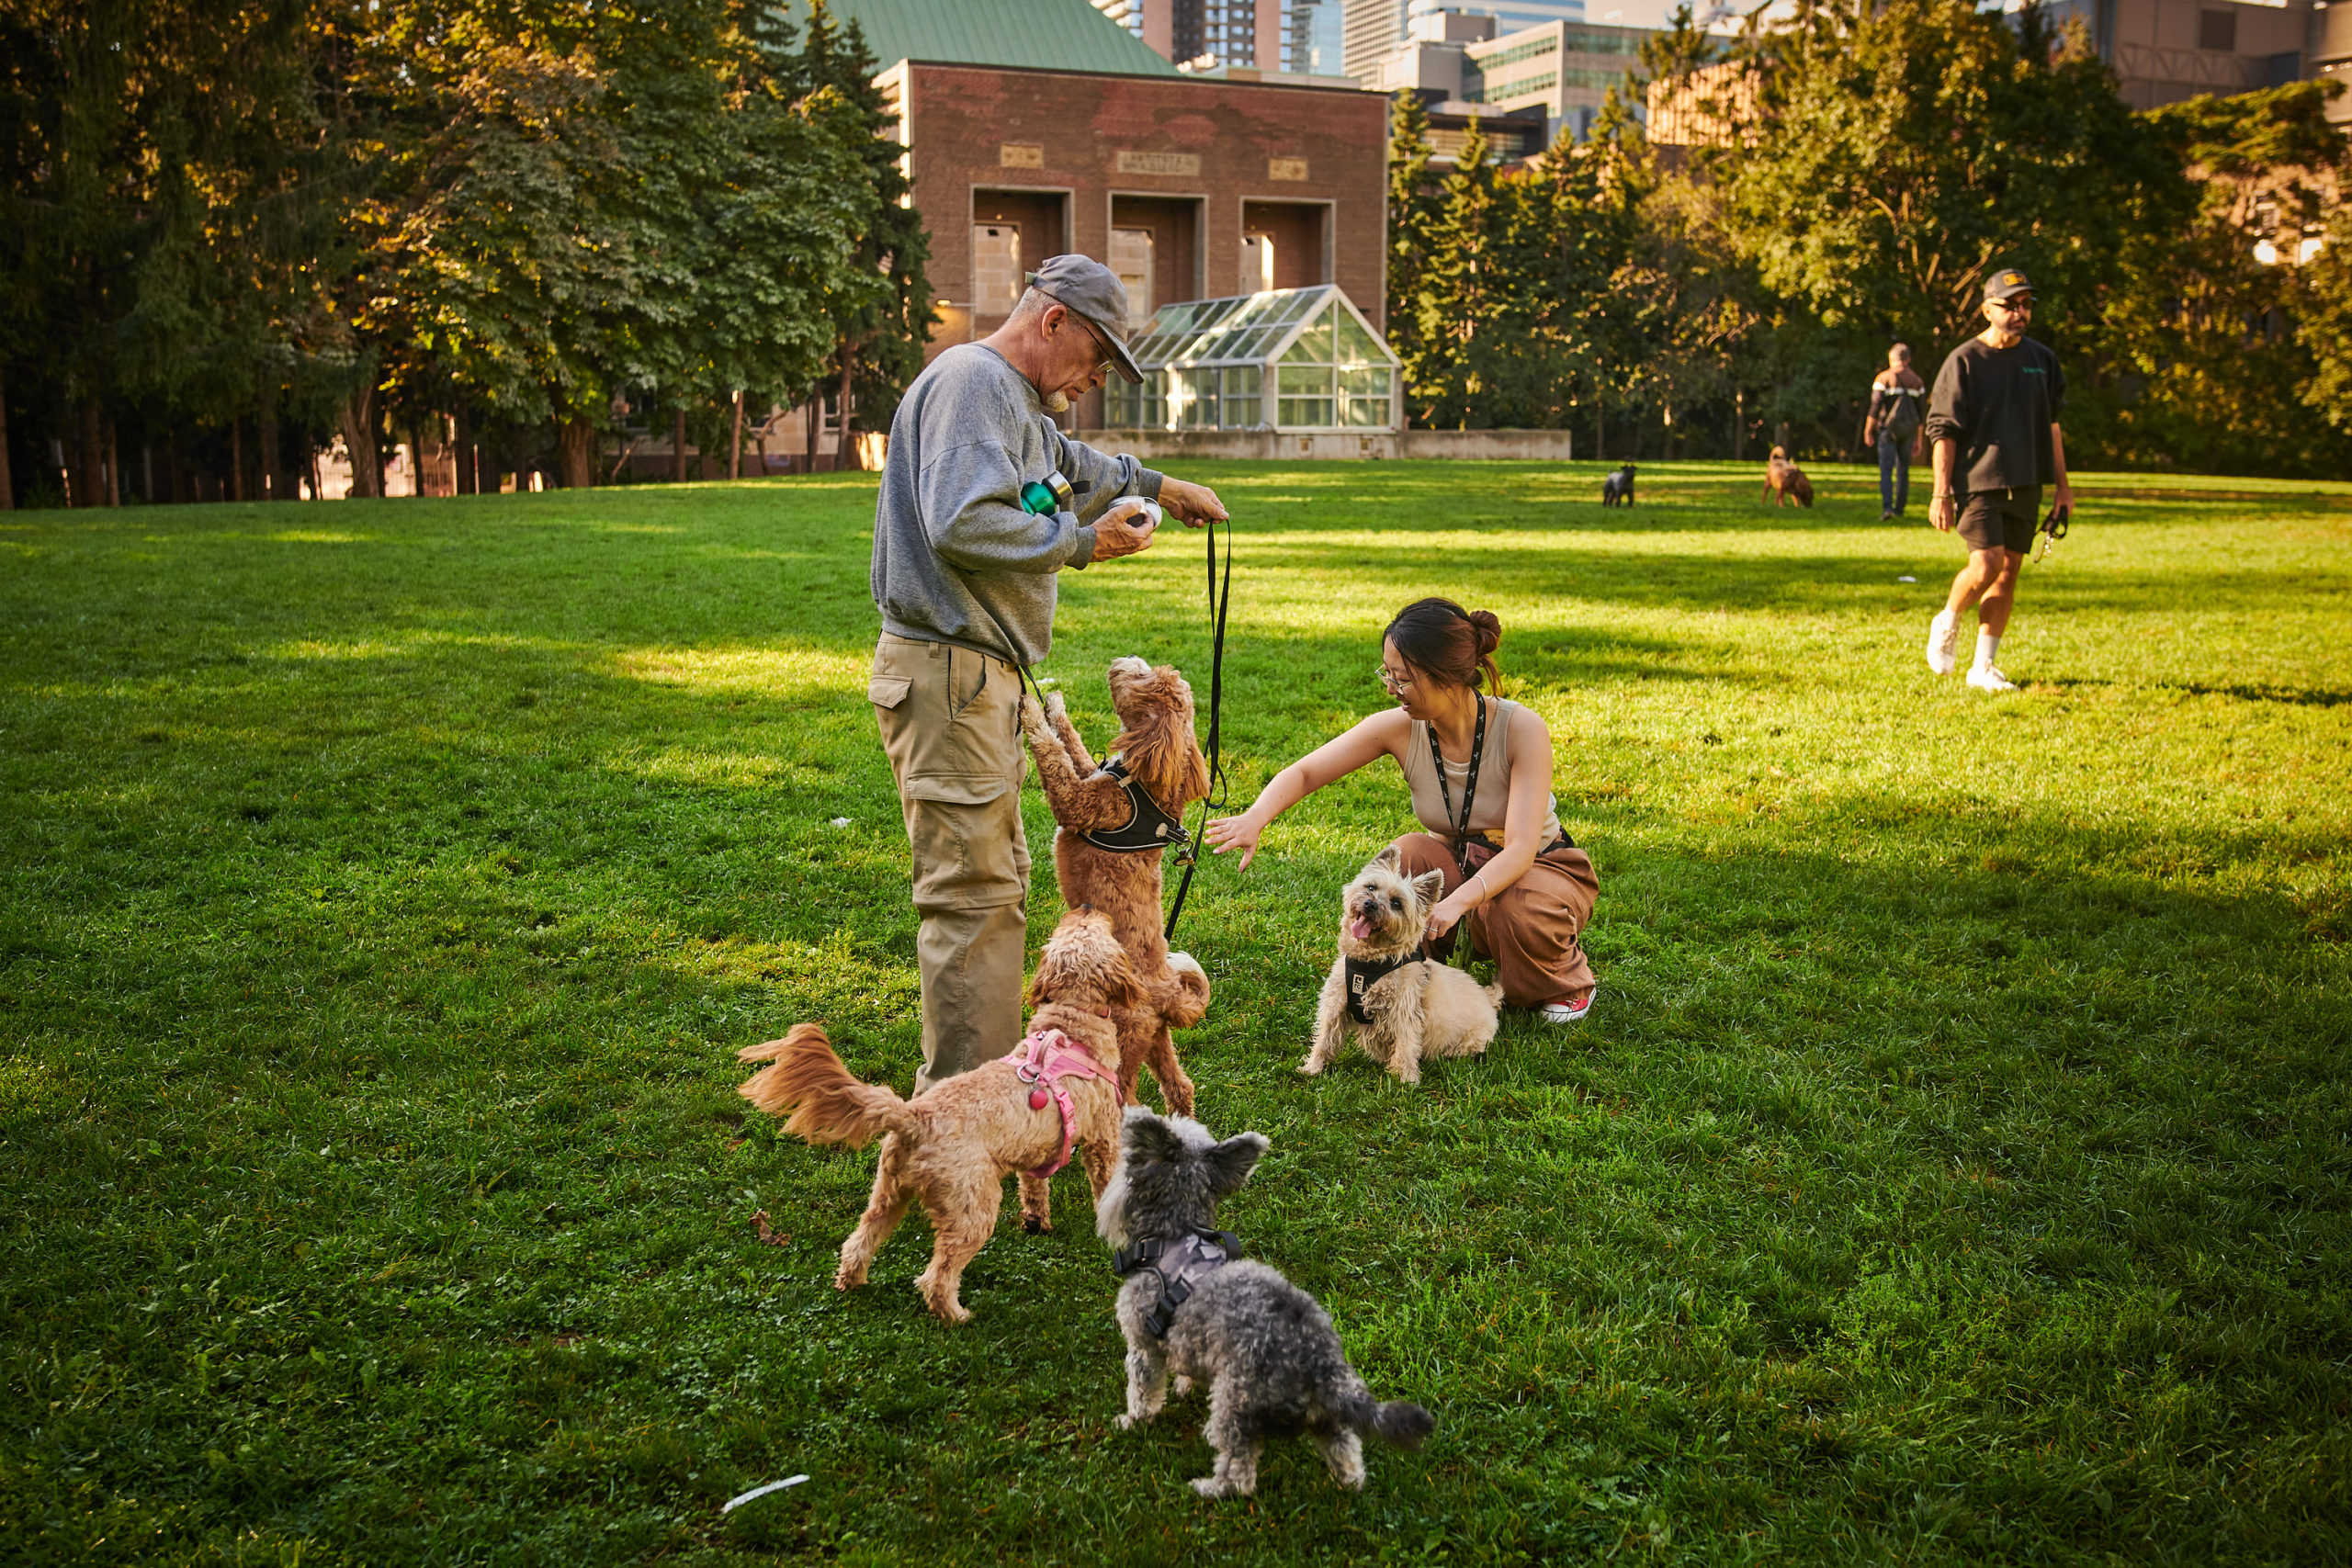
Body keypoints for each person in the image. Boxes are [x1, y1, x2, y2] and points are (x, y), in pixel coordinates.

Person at [868, 254, 1228, 1091]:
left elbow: (1067, 467)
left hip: (976, 674)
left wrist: (1160, 485)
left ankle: (995, 1102)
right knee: (974, 903)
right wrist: (1084, 542)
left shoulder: (1018, 407)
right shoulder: (975, 383)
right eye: (1098, 356)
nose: (1097, 377)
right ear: (1053, 319)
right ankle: (968, 1115)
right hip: (948, 671)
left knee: (999, 888)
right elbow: (963, 520)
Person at [1204, 599, 1600, 1023]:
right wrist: (1255, 817)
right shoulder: (1398, 727)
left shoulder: (1521, 728)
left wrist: (1457, 903)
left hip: (1538, 866)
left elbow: (1521, 848)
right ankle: (1409, 972)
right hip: (1460, 861)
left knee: (1512, 911)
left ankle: (1565, 981)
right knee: (1409, 855)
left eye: (1403, 679)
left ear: (1446, 677)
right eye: (1387, 674)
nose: (1391, 688)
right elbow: (1305, 772)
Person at [1923, 268, 2073, 694]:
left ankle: (1983, 667)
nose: (2020, 312)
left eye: (2026, 304)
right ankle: (1948, 618)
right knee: (1985, 565)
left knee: (2007, 574)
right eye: (2010, 304)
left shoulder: (2042, 361)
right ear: (1987, 308)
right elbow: (1943, 431)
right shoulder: (1964, 360)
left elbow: (2053, 426)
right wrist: (1941, 491)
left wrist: (2063, 487)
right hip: (1979, 480)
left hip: (2027, 480)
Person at [1864, 344, 1926, 521]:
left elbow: (1875, 407)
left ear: (1892, 359)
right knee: (1903, 471)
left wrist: (1868, 430)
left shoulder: (1884, 378)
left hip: (1887, 430)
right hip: (1908, 431)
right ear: (1908, 360)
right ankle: (1900, 510)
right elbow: (1921, 414)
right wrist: (1919, 439)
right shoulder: (1917, 381)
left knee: (1886, 469)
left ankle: (1887, 508)